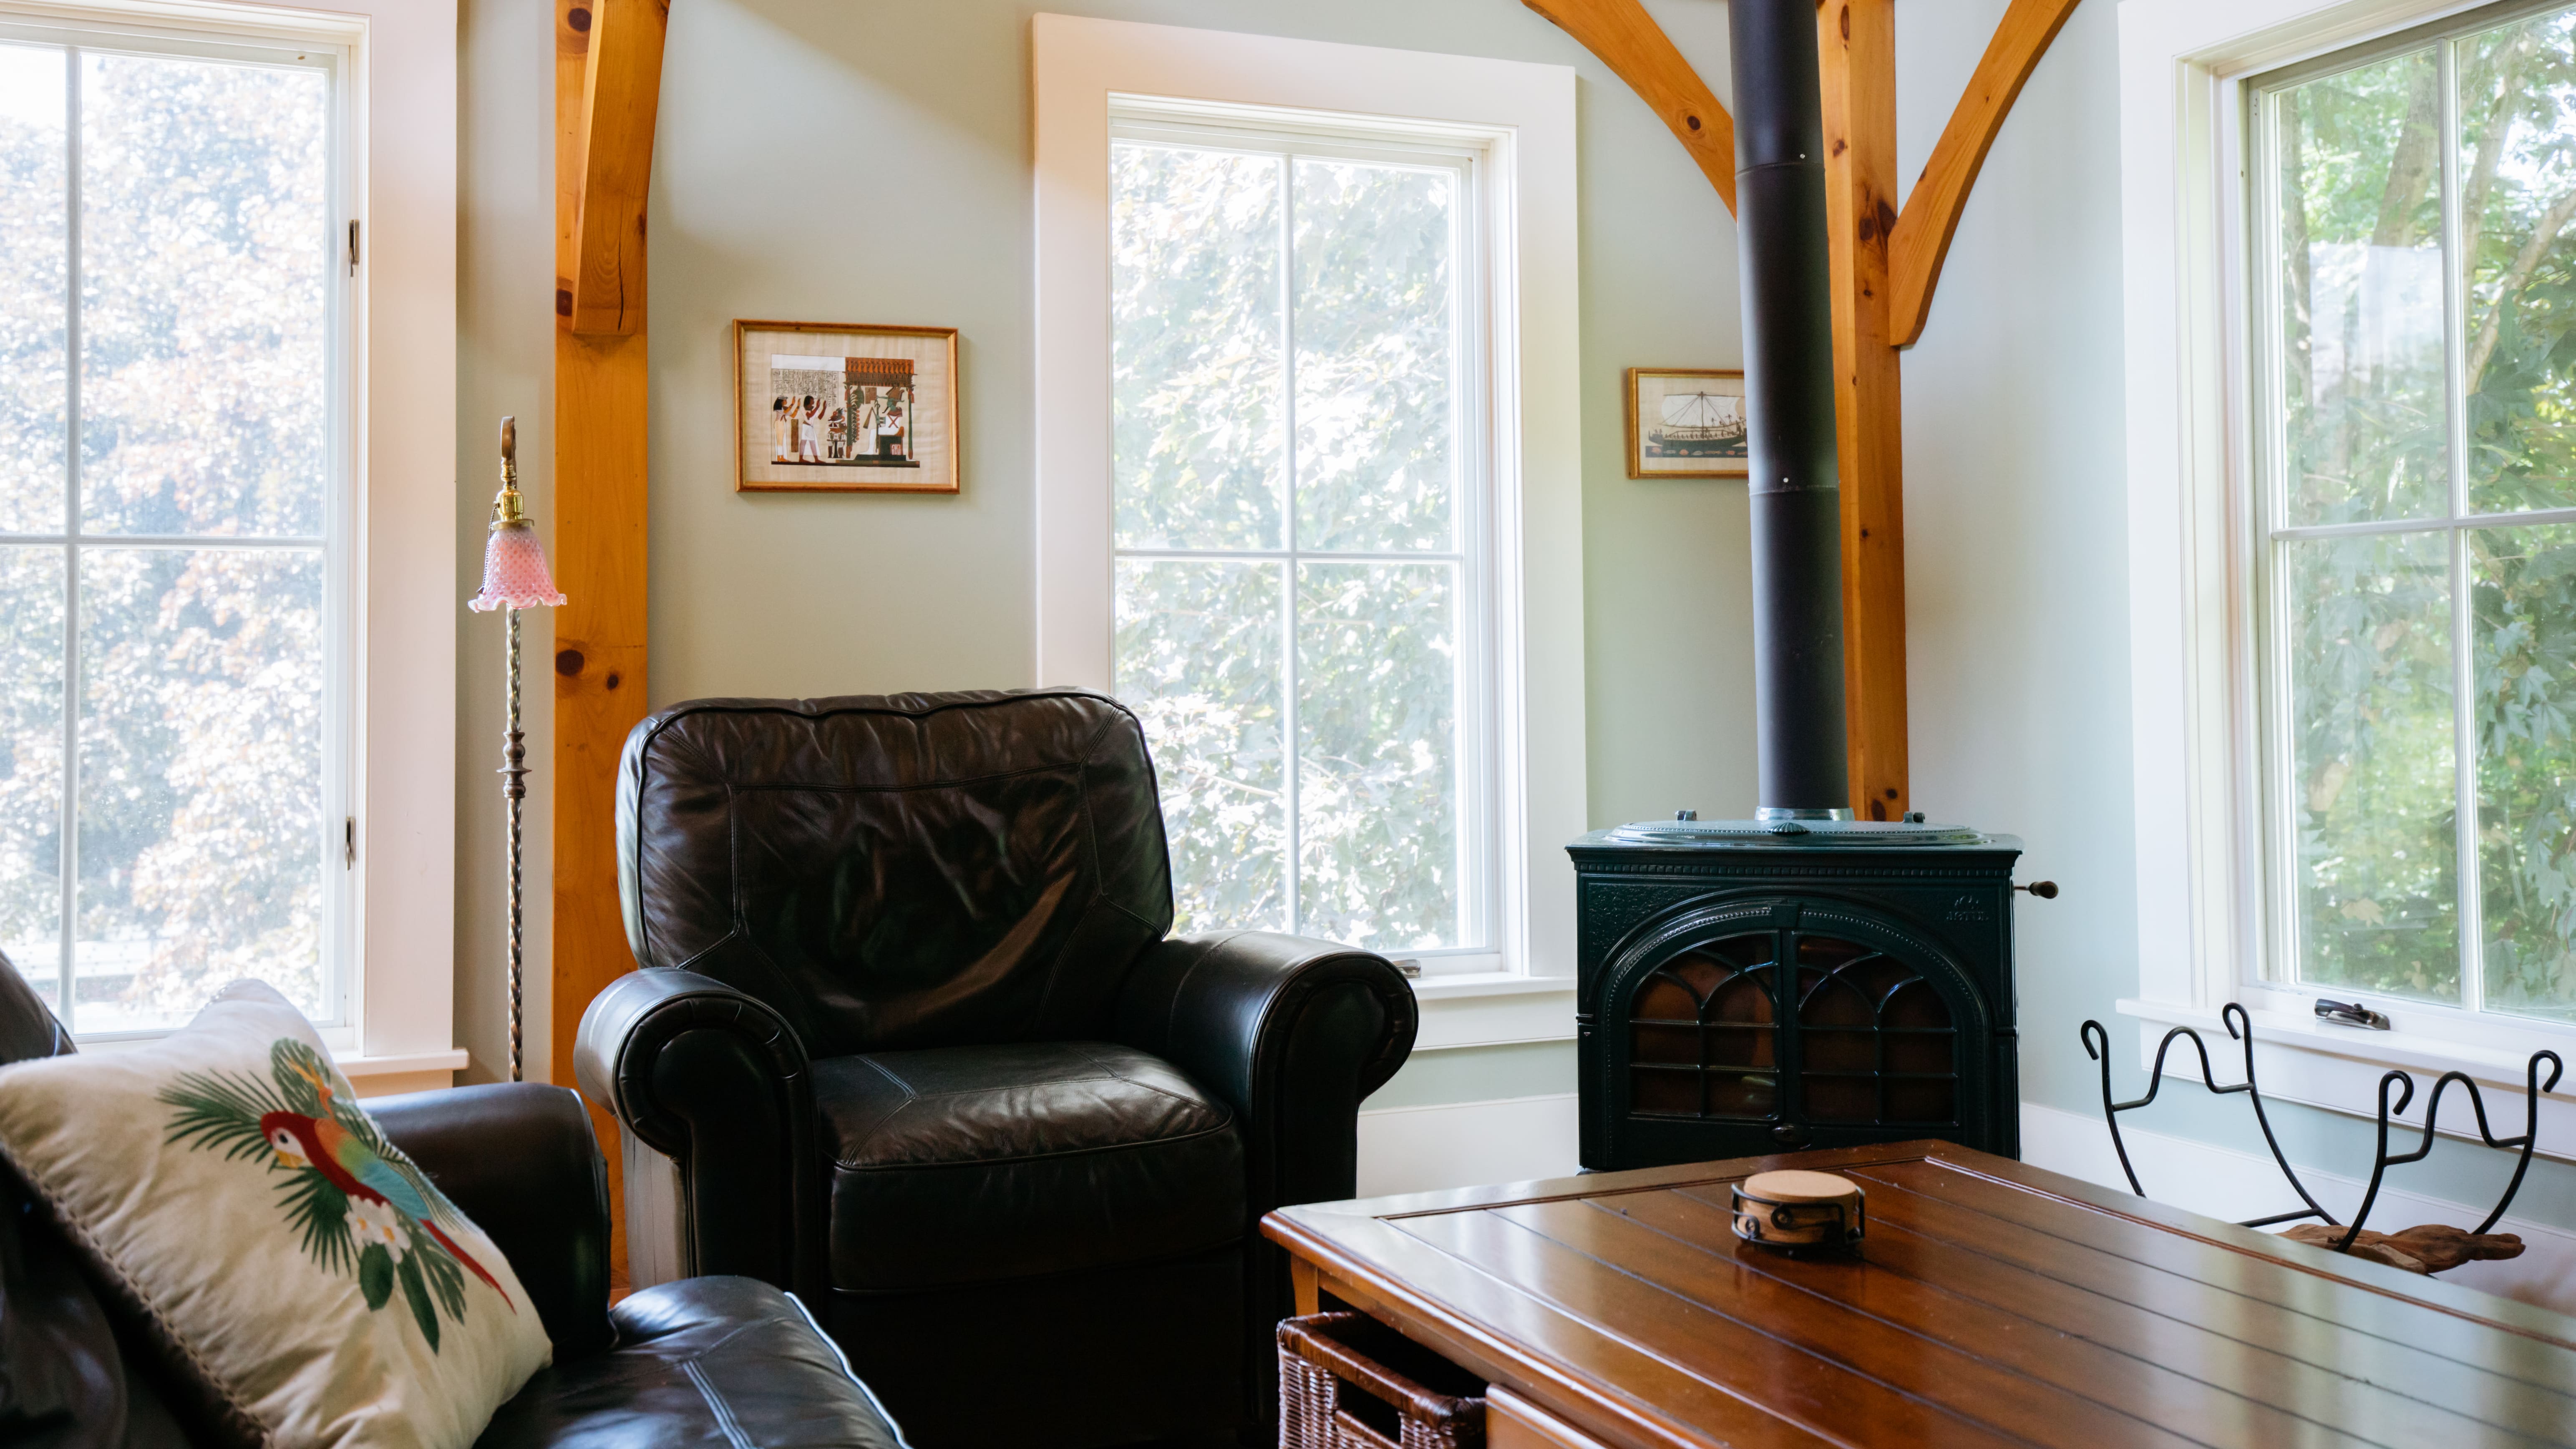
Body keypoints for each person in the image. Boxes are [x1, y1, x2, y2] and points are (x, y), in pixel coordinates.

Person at [771, 396, 792, 463]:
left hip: (779, 423)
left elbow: (787, 412)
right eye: (785, 400)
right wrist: (793, 404)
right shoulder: (780, 409)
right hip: (779, 424)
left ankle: (780, 457)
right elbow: (786, 411)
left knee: (780, 441)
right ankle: (781, 457)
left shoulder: (781, 408)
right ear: (782, 402)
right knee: (780, 441)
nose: (786, 402)